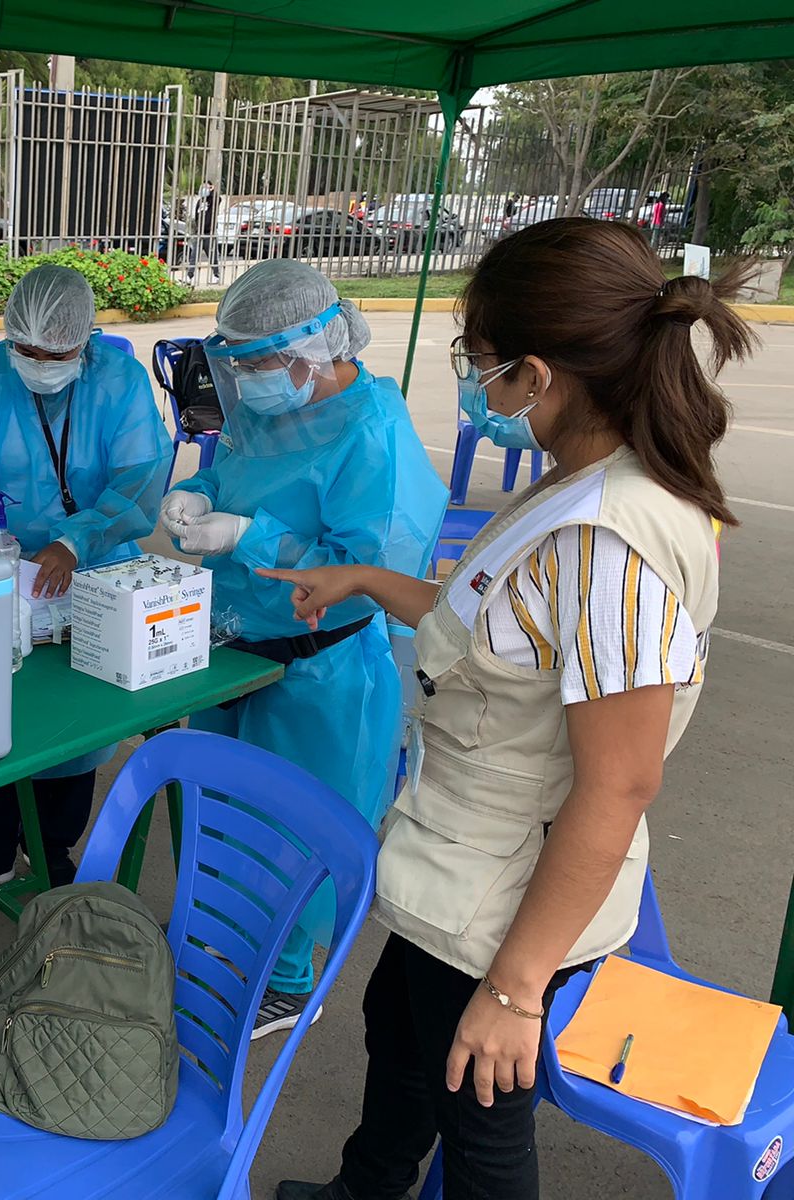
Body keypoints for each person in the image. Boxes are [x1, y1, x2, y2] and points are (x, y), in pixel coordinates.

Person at [267, 218, 749, 1200]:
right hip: (457, 866)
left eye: (479, 365)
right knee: (399, 1032)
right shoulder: (578, 488)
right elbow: (483, 622)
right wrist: (362, 577)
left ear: (536, 374)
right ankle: (368, 1189)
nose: (475, 387)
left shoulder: (613, 541)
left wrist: (513, 988)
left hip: (506, 906)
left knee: (480, 1116)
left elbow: (617, 784)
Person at [160, 260, 446, 1039]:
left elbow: (367, 568)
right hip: (235, 638)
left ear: (314, 348)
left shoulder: (374, 432)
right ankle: (221, 943)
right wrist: (205, 494)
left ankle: (288, 979)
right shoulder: (268, 404)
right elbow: (237, 467)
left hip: (325, 661)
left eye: (259, 361)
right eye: (239, 361)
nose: (248, 378)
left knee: (298, 831)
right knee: (224, 807)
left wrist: (250, 536)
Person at [0, 264, 173, 901]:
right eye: (26, 351)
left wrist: (71, 541)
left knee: (72, 719)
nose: (41, 363)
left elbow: (140, 477)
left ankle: (51, 843)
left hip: (92, 570)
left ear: (84, 340)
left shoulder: (119, 382)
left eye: (56, 353)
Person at [189, 179, 223, 285]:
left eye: (206, 187)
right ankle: (189, 276)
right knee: (194, 255)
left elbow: (218, 199)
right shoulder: (200, 202)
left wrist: (212, 191)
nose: (203, 189)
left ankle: (216, 275)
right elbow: (196, 217)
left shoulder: (213, 200)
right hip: (200, 233)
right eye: (202, 187)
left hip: (210, 233)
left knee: (213, 256)